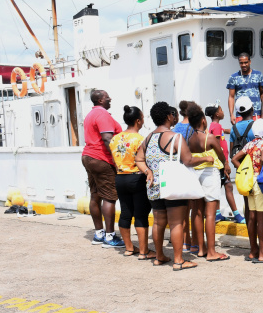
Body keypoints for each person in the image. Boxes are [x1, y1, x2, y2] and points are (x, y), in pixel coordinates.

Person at [134, 102, 213, 271]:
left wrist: (148, 171)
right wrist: (206, 159)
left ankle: (159, 256)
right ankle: (178, 260)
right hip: (173, 186)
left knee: (158, 222)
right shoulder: (176, 137)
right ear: (169, 116)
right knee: (177, 223)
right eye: (173, 114)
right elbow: (188, 160)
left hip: (154, 187)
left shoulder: (148, 138)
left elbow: (138, 159)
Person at [109, 106, 154, 260]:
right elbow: (144, 160)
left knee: (125, 213)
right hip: (137, 178)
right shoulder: (140, 139)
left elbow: (115, 160)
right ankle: (144, 251)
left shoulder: (115, 138)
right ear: (137, 121)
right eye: (142, 118)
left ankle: (129, 248)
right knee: (141, 214)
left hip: (120, 177)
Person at [81, 89, 124, 248]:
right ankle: (110, 236)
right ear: (100, 100)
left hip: (88, 156)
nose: (110, 98)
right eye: (107, 97)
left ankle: (99, 233)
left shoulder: (90, 115)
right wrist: (117, 160)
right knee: (109, 197)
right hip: (101, 158)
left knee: (95, 195)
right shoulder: (102, 115)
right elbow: (107, 138)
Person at [187, 104, 229, 262]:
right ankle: (212, 252)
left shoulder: (190, 139)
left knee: (197, 212)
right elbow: (221, 156)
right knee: (210, 214)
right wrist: (225, 164)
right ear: (203, 121)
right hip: (210, 174)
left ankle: (201, 248)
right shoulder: (209, 138)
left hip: (195, 174)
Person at [232, 119, 263, 263]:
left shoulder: (249, 144)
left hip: (249, 183)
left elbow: (234, 159)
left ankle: (253, 250)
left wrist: (245, 172)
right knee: (261, 218)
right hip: (259, 183)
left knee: (251, 216)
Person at [205, 104, 244, 224]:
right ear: (217, 114)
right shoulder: (216, 127)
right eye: (221, 110)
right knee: (228, 187)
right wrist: (226, 163)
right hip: (221, 163)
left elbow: (227, 130)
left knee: (220, 187)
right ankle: (237, 215)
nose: (223, 112)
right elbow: (218, 147)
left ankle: (217, 214)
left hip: (218, 163)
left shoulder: (215, 126)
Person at [173, 100, 196, 253]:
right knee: (193, 208)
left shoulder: (176, 128)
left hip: (178, 168)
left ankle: (184, 242)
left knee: (182, 211)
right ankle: (192, 242)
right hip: (191, 168)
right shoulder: (193, 128)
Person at [227, 52, 263, 125]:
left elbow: (262, 94)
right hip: (241, 114)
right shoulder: (233, 77)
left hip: (256, 114)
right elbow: (231, 97)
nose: (243, 65)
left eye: (246, 62)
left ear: (250, 62)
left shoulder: (258, 74)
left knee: (256, 135)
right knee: (241, 135)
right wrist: (231, 114)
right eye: (241, 63)